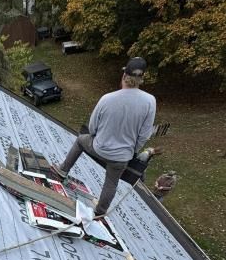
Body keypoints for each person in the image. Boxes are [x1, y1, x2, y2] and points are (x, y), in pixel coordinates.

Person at [52, 57, 156, 216]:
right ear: (141, 79)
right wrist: (132, 151)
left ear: (123, 76)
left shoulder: (107, 98)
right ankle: (100, 212)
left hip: (99, 148)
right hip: (121, 158)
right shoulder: (150, 101)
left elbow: (92, 127)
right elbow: (144, 134)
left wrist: (97, 139)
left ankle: (62, 170)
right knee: (111, 184)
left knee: (81, 141)